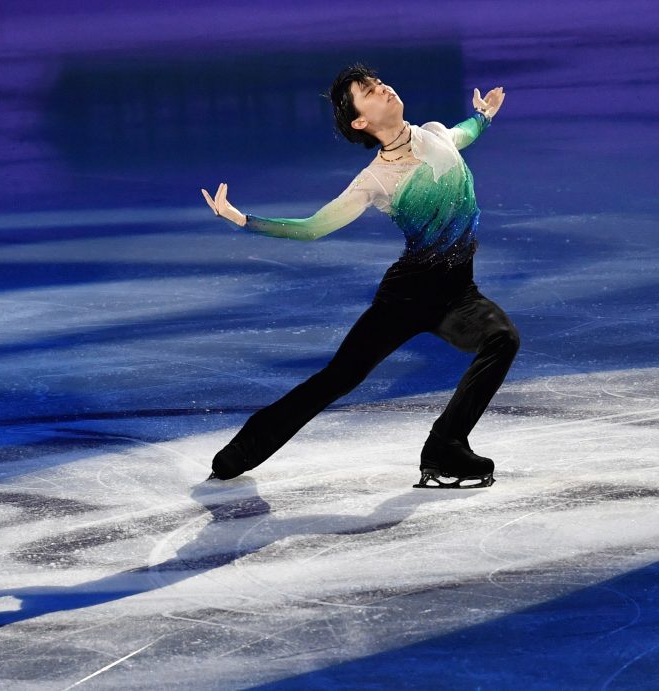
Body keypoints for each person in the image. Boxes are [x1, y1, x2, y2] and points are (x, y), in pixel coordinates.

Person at [201, 64, 518, 489]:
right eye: (369, 90)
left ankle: (445, 444)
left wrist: (484, 116)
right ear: (360, 122)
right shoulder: (375, 180)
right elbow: (314, 227)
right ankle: (241, 451)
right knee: (340, 377)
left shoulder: (435, 132)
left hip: (458, 293)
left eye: (379, 81)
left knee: (502, 339)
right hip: (406, 298)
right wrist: (243, 220)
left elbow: (463, 135)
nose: (382, 85)